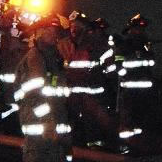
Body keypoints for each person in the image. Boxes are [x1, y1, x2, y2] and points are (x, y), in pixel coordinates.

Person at [11, 15, 73, 162]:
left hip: (53, 122)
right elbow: (34, 94)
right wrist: (46, 120)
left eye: (56, 31)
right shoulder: (35, 58)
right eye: (49, 30)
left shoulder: (52, 57)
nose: (54, 35)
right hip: (39, 123)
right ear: (38, 33)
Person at [63, 10, 116, 149]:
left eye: (77, 25)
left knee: (94, 129)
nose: (74, 28)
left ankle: (97, 151)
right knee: (74, 129)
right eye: (72, 25)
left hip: (93, 98)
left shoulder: (97, 44)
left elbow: (110, 71)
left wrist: (109, 86)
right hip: (73, 98)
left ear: (85, 27)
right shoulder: (67, 45)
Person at [115, 13, 155, 145]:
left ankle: (139, 144)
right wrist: (123, 73)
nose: (140, 31)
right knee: (127, 118)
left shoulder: (146, 45)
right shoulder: (124, 44)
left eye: (141, 29)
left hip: (144, 91)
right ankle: (125, 144)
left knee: (141, 119)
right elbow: (118, 61)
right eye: (137, 28)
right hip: (129, 89)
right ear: (131, 29)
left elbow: (151, 62)